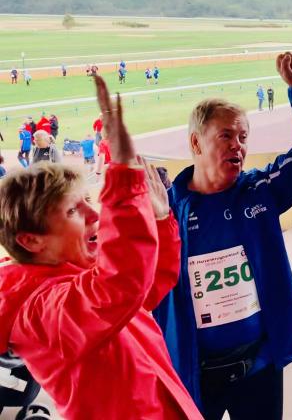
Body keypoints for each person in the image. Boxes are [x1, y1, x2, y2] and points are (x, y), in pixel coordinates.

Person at [0, 75, 203, 419]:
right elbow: (119, 286)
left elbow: (144, 288)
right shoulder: (39, 314)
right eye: (73, 210)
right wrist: (123, 178)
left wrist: (160, 221)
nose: (94, 215)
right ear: (31, 240)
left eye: (88, 201)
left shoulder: (77, 277)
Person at [154, 52, 292, 420]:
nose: (238, 145)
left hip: (258, 367)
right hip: (193, 372)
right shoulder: (166, 211)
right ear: (196, 143)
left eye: (243, 136)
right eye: (226, 135)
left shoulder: (259, 192)